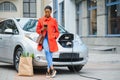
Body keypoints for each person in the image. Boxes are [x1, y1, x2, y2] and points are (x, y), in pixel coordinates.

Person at [36, 5, 60, 78]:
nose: (47, 13)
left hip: (51, 40)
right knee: (46, 51)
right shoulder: (41, 20)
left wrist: (54, 36)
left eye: (48, 12)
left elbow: (57, 32)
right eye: (45, 12)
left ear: (51, 12)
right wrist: (42, 29)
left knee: (50, 55)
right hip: (44, 39)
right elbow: (37, 30)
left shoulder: (54, 20)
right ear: (44, 11)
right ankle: (53, 69)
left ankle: (48, 71)